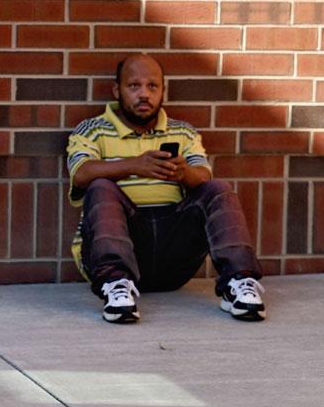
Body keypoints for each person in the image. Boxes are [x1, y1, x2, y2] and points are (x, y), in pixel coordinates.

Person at [65, 53, 265, 324]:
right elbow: (81, 174)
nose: (144, 94)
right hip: (121, 244)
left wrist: (184, 174)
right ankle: (116, 288)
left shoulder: (182, 133)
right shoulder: (91, 131)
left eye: (152, 86)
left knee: (217, 188)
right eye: (134, 86)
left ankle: (240, 283)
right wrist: (135, 165)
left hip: (173, 252)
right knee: (100, 186)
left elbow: (203, 175)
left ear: (163, 91)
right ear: (117, 90)